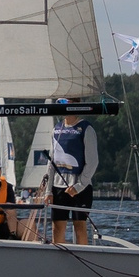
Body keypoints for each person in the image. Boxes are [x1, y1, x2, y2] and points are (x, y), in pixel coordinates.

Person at [46, 104, 98, 245]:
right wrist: (48, 191)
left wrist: (79, 186)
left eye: (63, 104)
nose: (60, 107)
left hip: (80, 187)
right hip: (58, 186)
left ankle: (83, 255)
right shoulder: (56, 129)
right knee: (57, 228)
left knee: (79, 226)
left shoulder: (86, 128)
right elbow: (51, 162)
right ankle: (58, 255)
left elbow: (93, 162)